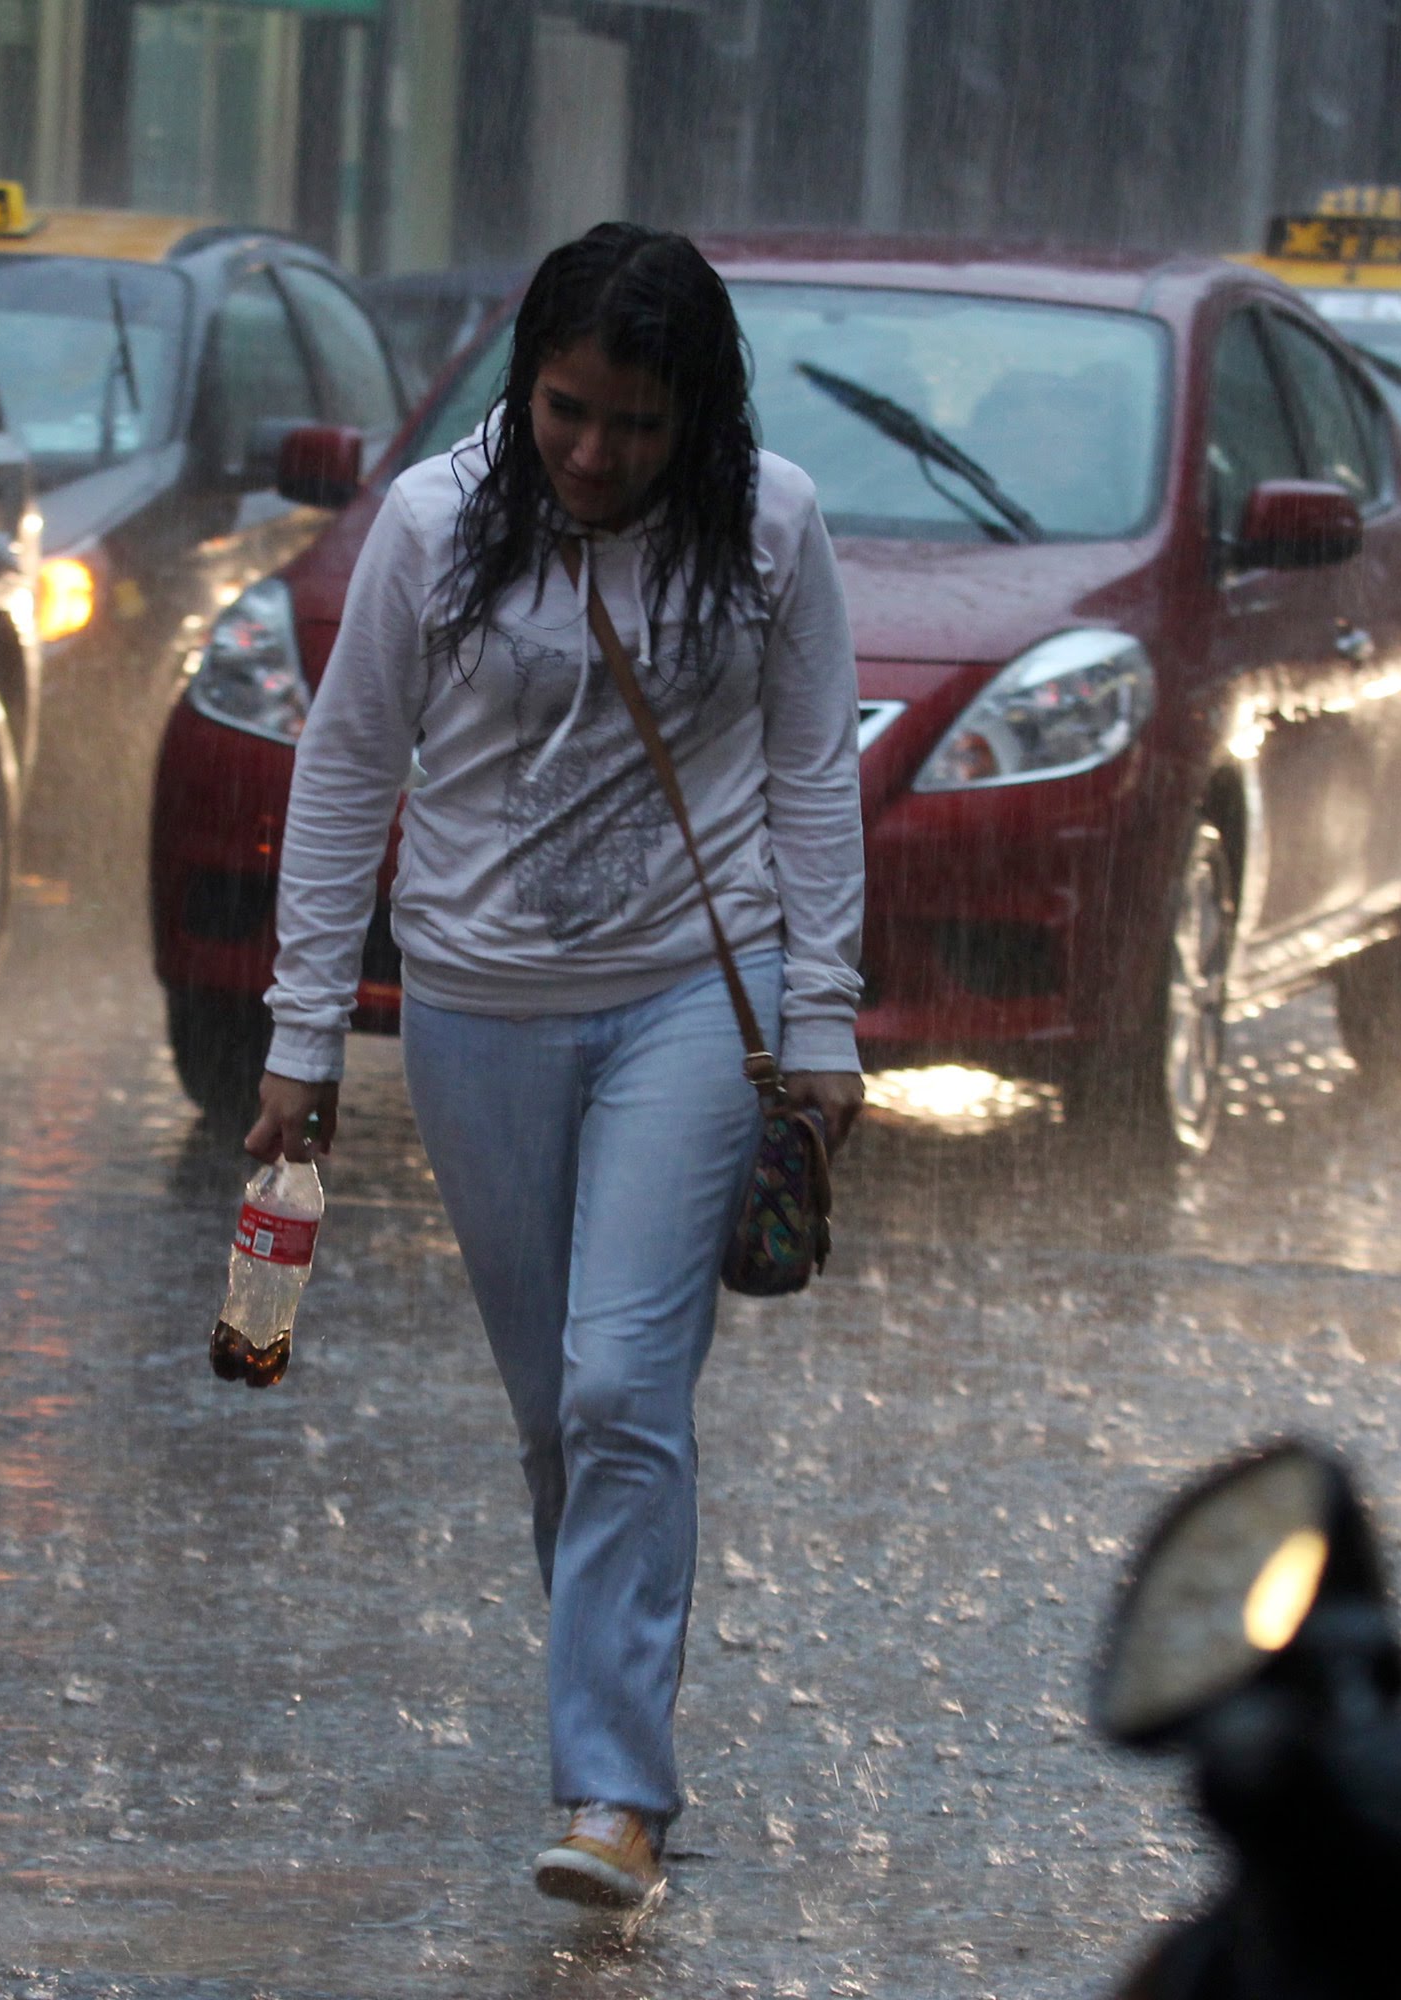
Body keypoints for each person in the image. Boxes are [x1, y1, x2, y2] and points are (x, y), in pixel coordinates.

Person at [246, 223, 865, 1911]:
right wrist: (305, 1039)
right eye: (567, 412)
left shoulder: (770, 527)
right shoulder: (438, 525)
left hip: (684, 1000)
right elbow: (347, 766)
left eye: (637, 427)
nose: (593, 456)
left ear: (701, 422)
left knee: (617, 1393)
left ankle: (610, 1794)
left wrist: (822, 1028)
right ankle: (612, 1723)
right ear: (525, 389)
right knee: (559, 1416)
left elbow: (813, 774)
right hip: (472, 1011)